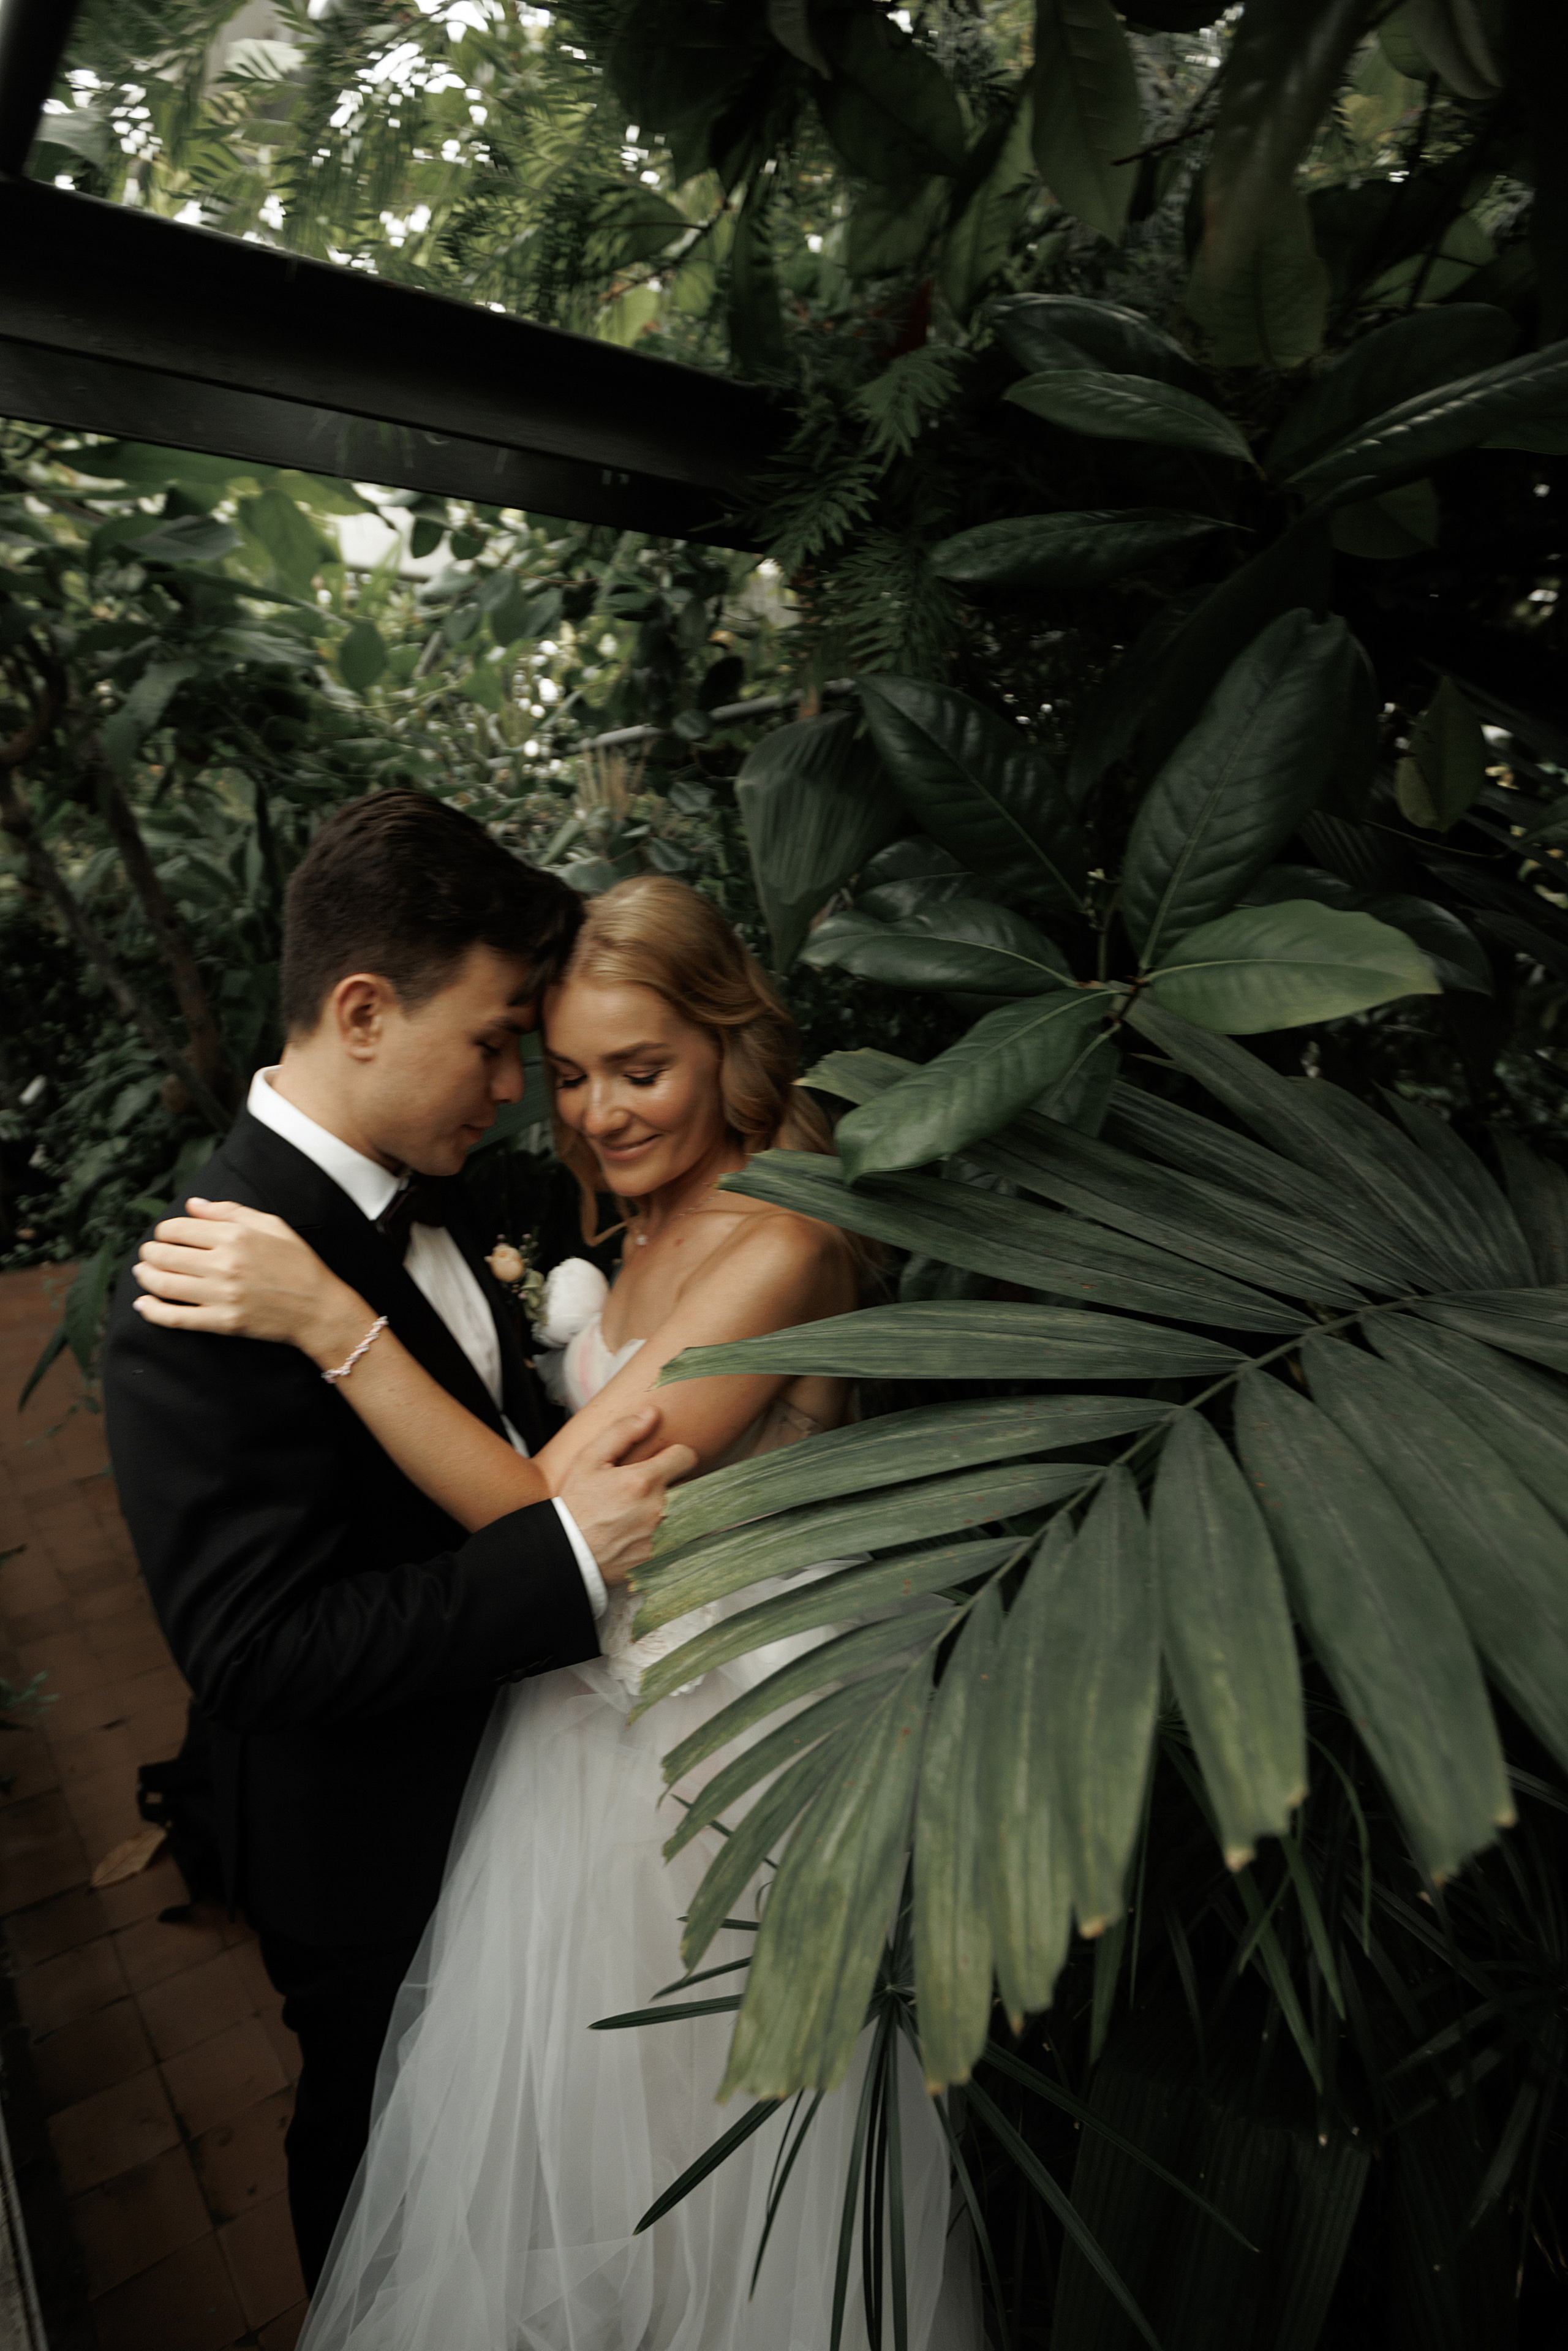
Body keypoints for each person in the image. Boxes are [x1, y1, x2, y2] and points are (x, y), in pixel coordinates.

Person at [132, 873, 979, 2350]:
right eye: (569, 1073)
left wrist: (338, 1321)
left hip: (710, 1763)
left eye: (637, 1069)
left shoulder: (782, 1240)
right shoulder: (633, 1223)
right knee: (548, 2163)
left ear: (731, 1043)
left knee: (707, 2169)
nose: (587, 1112)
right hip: (579, 1732)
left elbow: (541, 1514)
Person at [102, 795, 694, 2289]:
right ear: (362, 1009)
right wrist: (563, 1561)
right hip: (381, 1850)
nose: (515, 1092)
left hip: (539, 1799)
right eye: (496, 1042)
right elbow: (256, 1649)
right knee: (391, 2194)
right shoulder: (202, 1283)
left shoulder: (459, 1199)